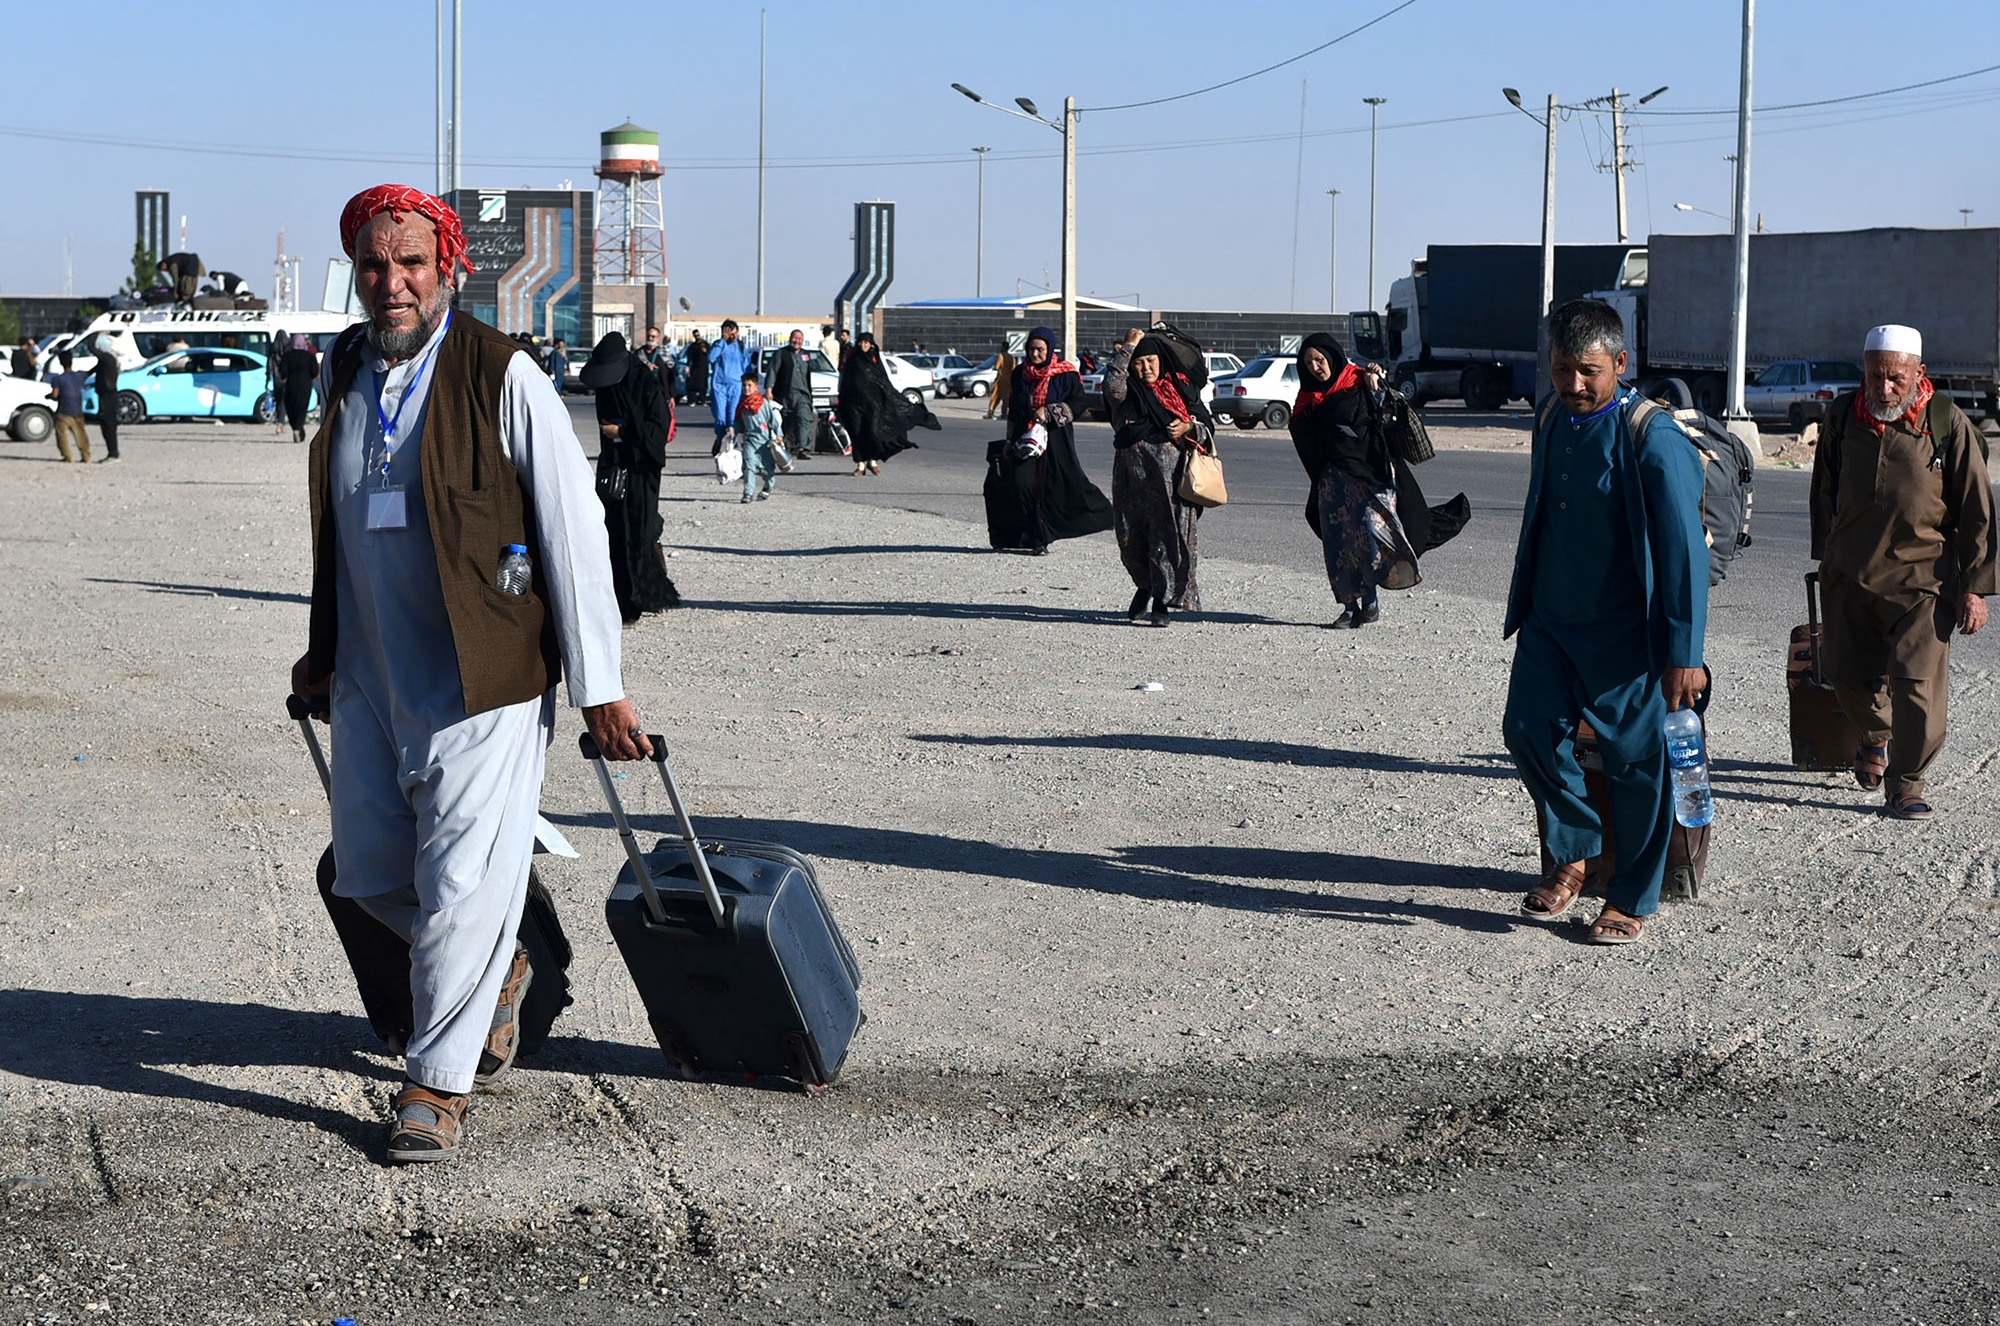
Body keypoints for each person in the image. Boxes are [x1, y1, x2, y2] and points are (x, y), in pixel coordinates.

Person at [289, 184, 650, 1163]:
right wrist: (323, 653)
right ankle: (499, 964)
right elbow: (337, 526)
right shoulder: (348, 368)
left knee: (456, 882)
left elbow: (574, 534)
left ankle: (437, 1087)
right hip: (371, 669)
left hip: (481, 670)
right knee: (366, 873)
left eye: (411, 263)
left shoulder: (503, 372)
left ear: (449, 268)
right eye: (374, 265)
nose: (392, 282)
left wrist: (598, 681)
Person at [1501, 298, 1709, 946]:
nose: (1574, 385)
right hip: (1551, 623)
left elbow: (1683, 552)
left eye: (1588, 371)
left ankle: (1632, 897)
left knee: (1636, 762)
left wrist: (1684, 651)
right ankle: (1575, 849)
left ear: (1620, 363)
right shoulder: (1549, 416)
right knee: (1527, 730)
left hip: (1626, 636)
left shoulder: (1653, 437)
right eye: (1563, 369)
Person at [1810, 323, 1995, 821]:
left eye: (1896, 378)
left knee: (1917, 684)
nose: (1885, 388)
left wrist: (1975, 588)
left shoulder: (1946, 423)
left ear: (1919, 372)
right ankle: (1874, 735)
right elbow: (1824, 488)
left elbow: (1978, 509)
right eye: (1875, 376)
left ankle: (1906, 783)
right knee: (1845, 671)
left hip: (1923, 580)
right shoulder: (1843, 417)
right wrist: (1824, 557)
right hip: (1849, 573)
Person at [1288, 332, 1421, 628]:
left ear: (1332, 357)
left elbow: (1386, 415)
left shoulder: (1360, 380)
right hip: (1332, 481)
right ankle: (1350, 607)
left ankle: (1371, 599)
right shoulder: (1308, 397)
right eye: (1309, 362)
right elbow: (1299, 428)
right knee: (1339, 543)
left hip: (1368, 474)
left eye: (1320, 360)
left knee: (1371, 533)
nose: (1315, 367)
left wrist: (1378, 387)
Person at [581, 332, 683, 624]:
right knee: (612, 530)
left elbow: (656, 434)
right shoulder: (608, 389)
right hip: (614, 470)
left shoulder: (646, 384)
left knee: (641, 530)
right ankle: (619, 596)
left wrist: (623, 433)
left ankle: (642, 596)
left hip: (641, 471)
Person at [1109, 335, 1210, 625]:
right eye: (1138, 363)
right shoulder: (1126, 395)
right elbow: (1112, 387)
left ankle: (1161, 602)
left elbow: (1206, 427)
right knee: (1130, 540)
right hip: (1132, 481)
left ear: (1161, 361)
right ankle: (1144, 586)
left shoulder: (1180, 391)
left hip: (1173, 485)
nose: (1145, 368)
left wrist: (1189, 427)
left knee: (1166, 541)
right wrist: (1128, 348)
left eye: (1150, 361)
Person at [985, 326, 1113, 555]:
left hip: (1055, 440)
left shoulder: (1066, 374)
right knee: (1022, 483)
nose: (1035, 355)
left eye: (1040, 350)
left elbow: (1080, 402)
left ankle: (1041, 537)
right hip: (1025, 439)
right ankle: (1032, 531)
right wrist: (1008, 440)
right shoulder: (1020, 373)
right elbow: (1014, 409)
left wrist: (1052, 411)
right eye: (1032, 349)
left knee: (1053, 487)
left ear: (1050, 349)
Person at [837, 332, 938, 476]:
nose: (863, 345)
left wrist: (889, 398)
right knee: (856, 432)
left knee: (873, 431)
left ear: (871, 344)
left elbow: (882, 381)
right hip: (854, 404)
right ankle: (860, 464)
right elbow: (845, 379)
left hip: (873, 404)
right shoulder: (852, 359)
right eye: (861, 342)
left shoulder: (875, 359)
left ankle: (872, 461)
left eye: (866, 342)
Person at [735, 370, 783, 503]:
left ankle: (768, 487)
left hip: (764, 443)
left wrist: (779, 434)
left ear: (756, 387)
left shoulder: (763, 403)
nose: (746, 388)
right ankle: (748, 493)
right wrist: (733, 430)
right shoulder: (742, 405)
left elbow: (773, 421)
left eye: (749, 385)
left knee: (767, 471)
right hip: (750, 441)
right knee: (749, 466)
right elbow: (738, 421)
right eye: (744, 385)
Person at [771, 329, 817, 465]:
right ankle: (789, 447)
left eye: (799, 338)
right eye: (794, 338)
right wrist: (769, 389)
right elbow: (773, 371)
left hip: (802, 395)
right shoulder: (781, 354)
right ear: (790, 339)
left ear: (803, 341)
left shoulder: (806, 356)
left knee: (803, 419)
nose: (796, 341)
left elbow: (808, 376)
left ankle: (803, 448)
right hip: (785, 394)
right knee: (786, 420)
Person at [706, 321, 753, 445]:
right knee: (721, 416)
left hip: (736, 385)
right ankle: (719, 437)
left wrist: (749, 384)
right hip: (720, 385)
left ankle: (732, 439)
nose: (734, 337)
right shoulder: (719, 345)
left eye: (736, 333)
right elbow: (711, 358)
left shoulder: (741, 347)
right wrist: (722, 341)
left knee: (733, 416)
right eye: (731, 334)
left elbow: (747, 366)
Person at [45, 351, 91, 463]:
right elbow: (90, 372)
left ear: (61, 363)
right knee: (81, 434)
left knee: (62, 436)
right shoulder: (80, 376)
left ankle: (68, 456)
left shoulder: (58, 379)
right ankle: (86, 455)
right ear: (72, 361)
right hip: (77, 411)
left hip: (63, 411)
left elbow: (55, 394)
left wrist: (48, 397)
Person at [280, 334, 320, 444]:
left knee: (291, 407)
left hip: (291, 384)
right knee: (302, 407)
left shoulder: (287, 356)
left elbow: (283, 372)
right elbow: (314, 372)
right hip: (305, 384)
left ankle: (295, 427)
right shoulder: (309, 356)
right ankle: (298, 428)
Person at [91, 340, 121, 463]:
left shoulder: (107, 358)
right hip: (107, 394)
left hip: (108, 394)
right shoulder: (107, 359)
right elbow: (92, 370)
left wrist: (92, 332)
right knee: (106, 424)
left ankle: (113, 454)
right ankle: (112, 452)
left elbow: (91, 347)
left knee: (108, 424)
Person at [986, 339, 1018, 420]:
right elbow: (1013, 368)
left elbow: (997, 367)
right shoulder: (1011, 358)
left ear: (1003, 347)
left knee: (995, 395)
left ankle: (990, 412)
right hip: (1009, 380)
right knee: (1006, 398)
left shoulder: (1001, 356)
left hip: (1001, 379)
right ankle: (1004, 413)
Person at [684, 331, 711, 404]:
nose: (697, 336)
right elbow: (689, 356)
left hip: (704, 366)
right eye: (696, 335)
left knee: (703, 383)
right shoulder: (693, 346)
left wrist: (705, 351)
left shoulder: (705, 344)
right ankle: (692, 400)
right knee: (693, 383)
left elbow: (710, 354)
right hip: (695, 366)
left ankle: (703, 399)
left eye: (698, 335)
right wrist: (687, 365)